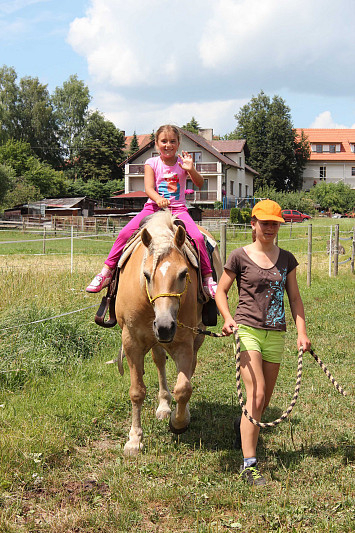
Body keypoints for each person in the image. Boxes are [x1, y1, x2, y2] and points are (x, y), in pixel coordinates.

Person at [215, 199, 311, 486]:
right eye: (264, 222)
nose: (269, 228)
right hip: (248, 330)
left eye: (274, 223)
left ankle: (241, 424)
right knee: (255, 394)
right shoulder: (239, 256)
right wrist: (228, 317)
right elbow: (221, 291)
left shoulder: (287, 259)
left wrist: (302, 332)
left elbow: (294, 298)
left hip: (276, 333)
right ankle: (249, 465)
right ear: (253, 224)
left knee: (263, 401)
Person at [86, 124, 217, 297]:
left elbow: (199, 184)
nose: (168, 145)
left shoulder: (182, 163)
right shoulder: (152, 163)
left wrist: (191, 169)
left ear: (178, 144)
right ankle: (106, 272)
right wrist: (158, 199)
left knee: (199, 238)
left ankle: (207, 279)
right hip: (153, 207)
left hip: (178, 209)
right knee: (125, 233)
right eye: (163, 141)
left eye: (172, 141)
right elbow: (149, 188)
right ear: (156, 143)